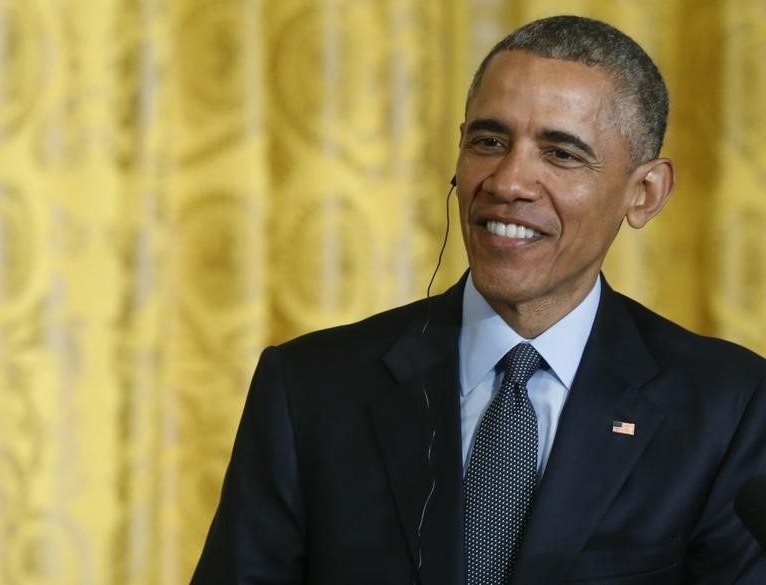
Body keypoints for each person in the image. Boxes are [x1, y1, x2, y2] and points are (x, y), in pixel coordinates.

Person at [191, 15, 766, 585]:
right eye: (488, 141)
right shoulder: (309, 386)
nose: (509, 181)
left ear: (644, 194)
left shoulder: (728, 406)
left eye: (561, 153)